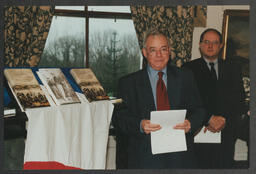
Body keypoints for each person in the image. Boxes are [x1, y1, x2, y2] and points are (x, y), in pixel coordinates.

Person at [112, 29, 206, 169]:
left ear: (169, 51)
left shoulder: (185, 77)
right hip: (143, 159)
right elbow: (119, 119)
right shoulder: (128, 82)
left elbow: (200, 110)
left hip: (180, 158)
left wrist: (191, 123)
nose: (159, 55)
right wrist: (140, 124)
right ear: (144, 53)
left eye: (163, 49)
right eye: (153, 50)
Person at [182, 28, 247, 168]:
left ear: (221, 46)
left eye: (215, 42)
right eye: (206, 42)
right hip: (200, 132)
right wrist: (208, 119)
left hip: (226, 133)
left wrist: (224, 120)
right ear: (200, 44)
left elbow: (240, 100)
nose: (210, 46)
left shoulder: (233, 68)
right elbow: (185, 101)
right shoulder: (188, 69)